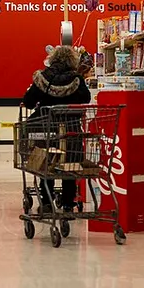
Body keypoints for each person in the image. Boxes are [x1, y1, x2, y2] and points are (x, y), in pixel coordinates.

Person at [22, 45, 92, 212]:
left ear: (52, 59)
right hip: (70, 127)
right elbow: (86, 98)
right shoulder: (77, 79)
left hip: (46, 127)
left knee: (46, 163)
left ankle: (47, 201)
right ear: (72, 61)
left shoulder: (42, 77)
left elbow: (29, 102)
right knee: (70, 163)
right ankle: (68, 203)